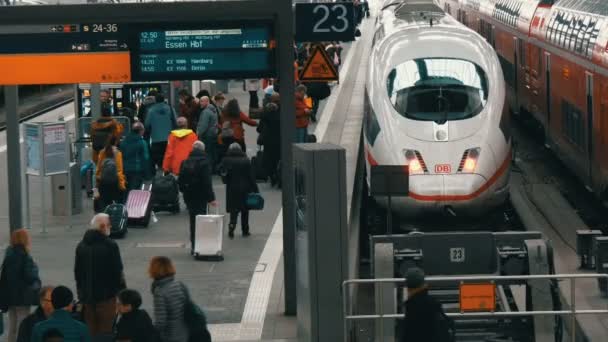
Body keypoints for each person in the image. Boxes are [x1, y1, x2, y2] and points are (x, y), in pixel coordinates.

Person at [74, 214, 126, 338]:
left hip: (87, 298)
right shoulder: (110, 245)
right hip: (106, 298)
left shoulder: (81, 246)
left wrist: (81, 293)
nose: (110, 227)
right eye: (109, 224)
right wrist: (122, 294)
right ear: (102, 227)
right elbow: (117, 271)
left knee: (89, 331)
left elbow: (77, 272)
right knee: (106, 332)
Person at [0, 229, 41, 342]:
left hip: (10, 296)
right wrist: (35, 268)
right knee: (22, 326)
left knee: (12, 326)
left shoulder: (9, 255)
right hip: (22, 297)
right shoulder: (25, 257)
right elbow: (30, 276)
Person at [178, 141, 217, 254]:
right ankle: (201, 245)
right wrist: (211, 198)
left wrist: (184, 191)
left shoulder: (184, 162)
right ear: (203, 150)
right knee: (201, 220)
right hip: (201, 196)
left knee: (193, 219)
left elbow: (180, 180)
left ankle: (194, 246)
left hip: (189, 195)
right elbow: (207, 182)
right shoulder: (205, 163)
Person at [401, 267, 453, 342]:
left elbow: (408, 335)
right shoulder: (433, 302)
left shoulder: (411, 306)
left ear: (408, 286)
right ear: (423, 283)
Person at [220, 143, 259, 239]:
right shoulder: (246, 160)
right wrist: (255, 189)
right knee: (245, 210)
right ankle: (245, 230)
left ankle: (232, 226)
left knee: (234, 209)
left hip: (232, 188)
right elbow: (251, 177)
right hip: (245, 188)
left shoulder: (226, 160)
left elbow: (224, 175)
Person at [148, 256, 189, 342]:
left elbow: (161, 322)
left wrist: (148, 332)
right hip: (184, 331)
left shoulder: (160, 292)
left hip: (170, 336)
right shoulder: (179, 284)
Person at [144, 91, 177, 171]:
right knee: (168, 157)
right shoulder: (170, 108)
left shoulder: (151, 110)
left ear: (155, 100)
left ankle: (159, 174)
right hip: (169, 138)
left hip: (156, 139)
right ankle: (167, 173)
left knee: (158, 160)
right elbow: (175, 121)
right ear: (163, 99)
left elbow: (147, 124)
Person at [95, 139, 127, 210]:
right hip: (114, 182)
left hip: (103, 181)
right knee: (117, 201)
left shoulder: (102, 152)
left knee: (104, 202)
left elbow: (98, 169)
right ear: (116, 142)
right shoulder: (118, 153)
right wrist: (122, 185)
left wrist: (97, 180)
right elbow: (119, 170)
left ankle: (104, 216)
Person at [119, 122, 152, 191]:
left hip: (125, 171)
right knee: (134, 192)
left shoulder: (123, 142)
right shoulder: (142, 143)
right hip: (137, 171)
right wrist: (147, 175)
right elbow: (145, 159)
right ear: (140, 131)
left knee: (126, 191)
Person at [259, 92, 282, 186]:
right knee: (279, 159)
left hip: (267, 141)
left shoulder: (265, 114)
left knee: (269, 159)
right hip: (279, 141)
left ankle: (272, 176)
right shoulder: (280, 114)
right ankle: (279, 176)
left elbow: (259, 128)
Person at [196, 96, 219, 171]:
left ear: (207, 101)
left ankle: (209, 169)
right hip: (213, 134)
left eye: (202, 101)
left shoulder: (206, 112)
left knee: (207, 153)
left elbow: (203, 125)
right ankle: (213, 168)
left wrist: (198, 134)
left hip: (207, 136)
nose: (200, 103)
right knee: (212, 152)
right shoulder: (213, 110)